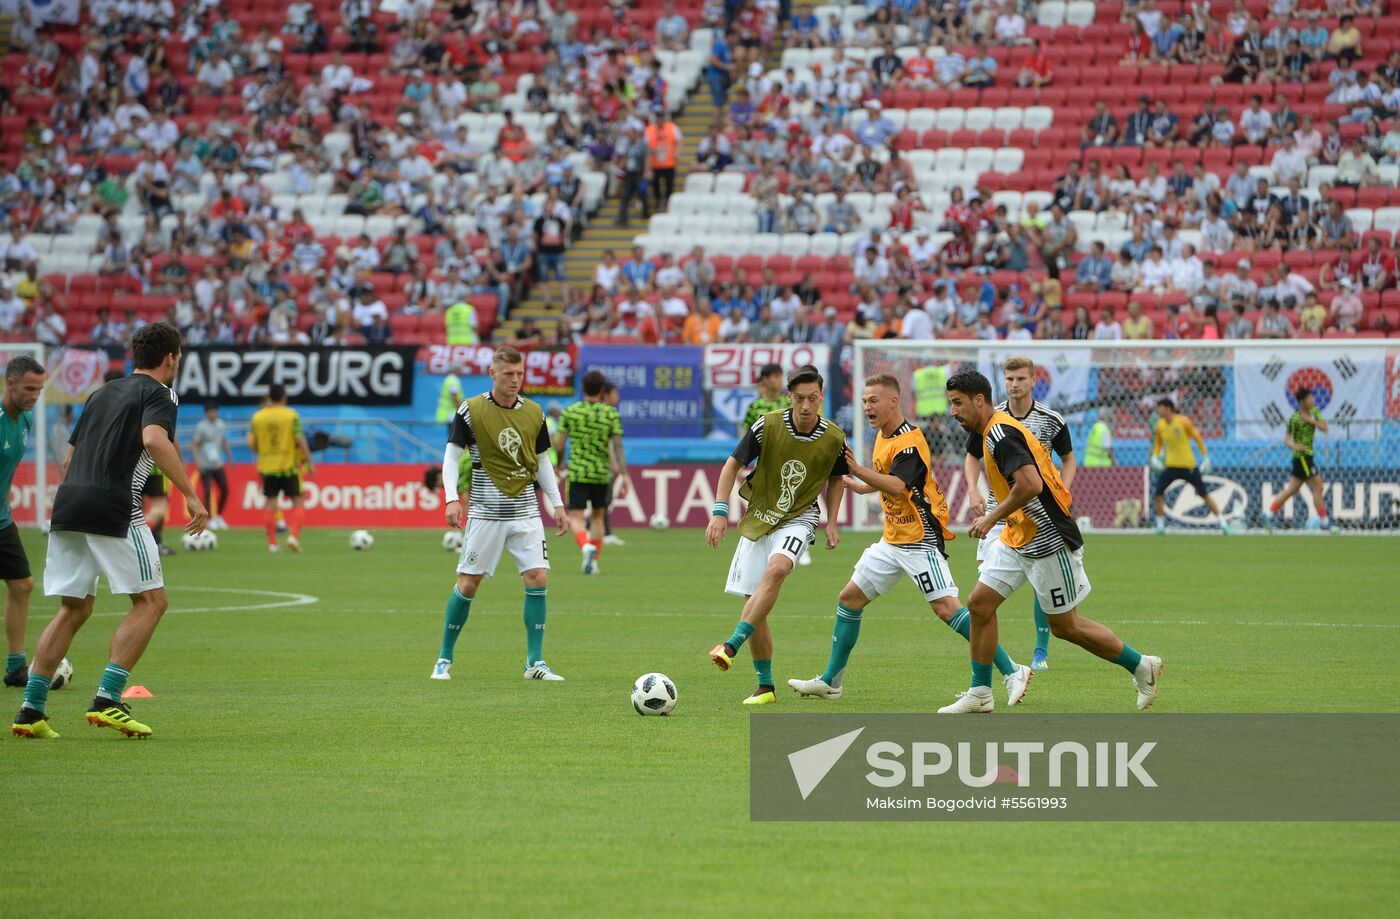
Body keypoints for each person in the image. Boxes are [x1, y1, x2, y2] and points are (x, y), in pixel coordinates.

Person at [12, 323, 209, 740]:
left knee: (74, 608)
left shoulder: (100, 394)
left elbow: (69, 459)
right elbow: (155, 440)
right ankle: (107, 699)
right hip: (114, 507)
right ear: (171, 357)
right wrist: (190, 494)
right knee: (152, 601)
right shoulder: (160, 393)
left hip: (67, 505)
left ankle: (30, 710)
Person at [787, 375, 1031, 706]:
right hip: (893, 540)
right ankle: (831, 682)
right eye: (864, 400)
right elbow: (893, 478)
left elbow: (900, 486)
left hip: (920, 539)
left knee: (948, 610)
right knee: (849, 599)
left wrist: (857, 471)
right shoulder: (882, 435)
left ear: (893, 402)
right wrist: (866, 485)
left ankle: (1013, 669)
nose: (867, 407)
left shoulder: (909, 441)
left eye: (873, 400)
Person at [938, 369, 1162, 714]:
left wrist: (991, 518)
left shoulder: (1000, 435)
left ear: (979, 401)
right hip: (1018, 536)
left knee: (1065, 626)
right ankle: (980, 691)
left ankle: (1141, 666)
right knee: (980, 604)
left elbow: (1030, 485)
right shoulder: (991, 430)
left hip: (1048, 539)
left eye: (957, 403)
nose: (952, 411)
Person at [705, 365, 847, 705]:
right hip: (759, 518)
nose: (807, 406)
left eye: (813, 399)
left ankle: (731, 645)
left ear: (821, 397)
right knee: (754, 602)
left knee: (778, 570)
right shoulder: (766, 425)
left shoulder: (834, 437)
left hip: (800, 518)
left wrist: (832, 521)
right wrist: (720, 511)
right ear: (790, 398)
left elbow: (837, 478)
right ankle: (765, 687)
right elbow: (731, 464)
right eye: (800, 399)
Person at [432, 346, 568, 682]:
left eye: (519, 374)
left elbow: (543, 462)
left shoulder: (535, 413)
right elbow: (451, 458)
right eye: (508, 374)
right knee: (468, 584)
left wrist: (557, 503)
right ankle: (444, 658)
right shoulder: (471, 411)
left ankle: (534, 662)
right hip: (485, 512)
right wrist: (451, 498)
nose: (515, 380)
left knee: (538, 577)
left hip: (526, 512)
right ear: (492, 374)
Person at [963, 356, 1076, 672]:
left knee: (1043, 584)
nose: (1014, 385)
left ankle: (1040, 652)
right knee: (984, 591)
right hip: (998, 512)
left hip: (1037, 515)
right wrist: (972, 489)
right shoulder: (990, 417)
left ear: (1033, 380)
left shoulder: (1050, 420)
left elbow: (1068, 459)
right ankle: (999, 667)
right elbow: (971, 458)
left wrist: (1062, 491)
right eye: (1009, 379)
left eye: (1020, 379)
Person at [555, 370, 626, 575]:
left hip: (578, 472)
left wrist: (560, 463)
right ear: (602, 390)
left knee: (576, 517)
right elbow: (618, 446)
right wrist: (624, 471)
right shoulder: (610, 414)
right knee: (597, 517)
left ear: (582, 388)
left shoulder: (570, 412)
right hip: (601, 474)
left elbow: (560, 444)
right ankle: (594, 562)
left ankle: (585, 546)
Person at [0, 357, 44, 688]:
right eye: (29, 388)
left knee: (22, 584)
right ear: (10, 383)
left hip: (2, 517)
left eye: (40, 389)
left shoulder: (26, 420)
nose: (34, 395)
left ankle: (16, 667)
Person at [1150, 398, 1230, 534]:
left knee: (1204, 494)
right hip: (1171, 467)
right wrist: (1155, 456)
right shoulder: (1160, 425)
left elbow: (1197, 437)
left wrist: (1205, 456)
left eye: (1160, 407)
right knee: (1158, 493)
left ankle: (1223, 524)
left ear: (1168, 408)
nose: (1158, 410)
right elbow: (1158, 443)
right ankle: (1160, 526)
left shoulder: (1183, 422)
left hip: (1189, 466)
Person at [249, 383, 313, 553]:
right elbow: (299, 439)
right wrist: (309, 460)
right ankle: (293, 537)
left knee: (271, 504)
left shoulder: (258, 417)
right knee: (298, 501)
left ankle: (272, 544)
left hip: (267, 467)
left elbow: (252, 443)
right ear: (284, 397)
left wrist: (263, 452)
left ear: (269, 397)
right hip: (288, 467)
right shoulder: (291, 415)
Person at [1268, 387, 1334, 533]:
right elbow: (1287, 439)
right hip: (1302, 458)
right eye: (1310, 399)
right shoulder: (1294, 418)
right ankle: (1325, 522)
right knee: (1318, 486)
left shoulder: (1314, 412)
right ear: (1302, 402)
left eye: (1312, 398)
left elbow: (1324, 427)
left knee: (1291, 490)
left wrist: (1311, 421)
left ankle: (1268, 514)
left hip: (1308, 456)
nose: (1313, 401)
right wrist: (1295, 446)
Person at [191, 403, 231, 530]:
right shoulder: (201, 427)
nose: (213, 414)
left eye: (215, 411)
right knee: (208, 491)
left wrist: (229, 456)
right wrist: (198, 462)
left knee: (225, 488)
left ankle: (218, 516)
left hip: (218, 463)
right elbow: (195, 445)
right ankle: (210, 519)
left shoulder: (221, 425)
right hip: (205, 464)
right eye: (210, 411)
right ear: (206, 413)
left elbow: (223, 441)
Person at [740, 362, 790, 432]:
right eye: (776, 376)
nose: (780, 380)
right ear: (765, 379)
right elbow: (746, 431)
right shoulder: (754, 406)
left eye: (780, 376)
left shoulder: (789, 402)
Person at [436, 363, 465, 438]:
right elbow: (454, 395)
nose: (462, 372)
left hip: (450, 412)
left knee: (452, 435)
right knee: (454, 436)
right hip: (450, 413)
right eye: (460, 370)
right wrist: (461, 410)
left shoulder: (449, 379)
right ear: (456, 370)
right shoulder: (453, 380)